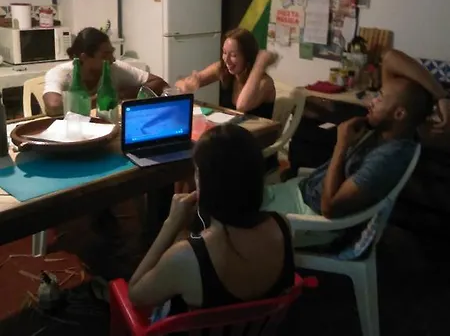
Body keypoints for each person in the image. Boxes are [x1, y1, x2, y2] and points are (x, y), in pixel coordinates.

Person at [262, 49, 449, 248]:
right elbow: (390, 57)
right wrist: (442, 97)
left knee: (239, 221)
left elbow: (329, 208)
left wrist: (341, 145)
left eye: (380, 97)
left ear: (399, 113)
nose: (371, 101)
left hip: (308, 217)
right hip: (300, 192)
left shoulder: (389, 157)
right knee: (239, 194)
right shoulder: (387, 130)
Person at [128, 124, 295, 314]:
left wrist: (171, 224)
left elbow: (135, 294)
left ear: (203, 181)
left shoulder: (187, 256)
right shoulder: (283, 226)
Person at [43, 27, 168, 115]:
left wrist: (122, 94)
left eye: (111, 53)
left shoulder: (116, 68)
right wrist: (104, 98)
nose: (112, 59)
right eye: (105, 55)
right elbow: (53, 106)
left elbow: (159, 83)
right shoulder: (60, 73)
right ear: (84, 57)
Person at [175, 28, 277, 119]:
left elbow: (241, 106)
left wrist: (260, 64)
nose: (226, 60)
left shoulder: (265, 82)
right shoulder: (222, 68)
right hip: (230, 130)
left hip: (257, 133)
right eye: (224, 52)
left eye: (233, 55)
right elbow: (182, 83)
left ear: (247, 57)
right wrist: (188, 84)